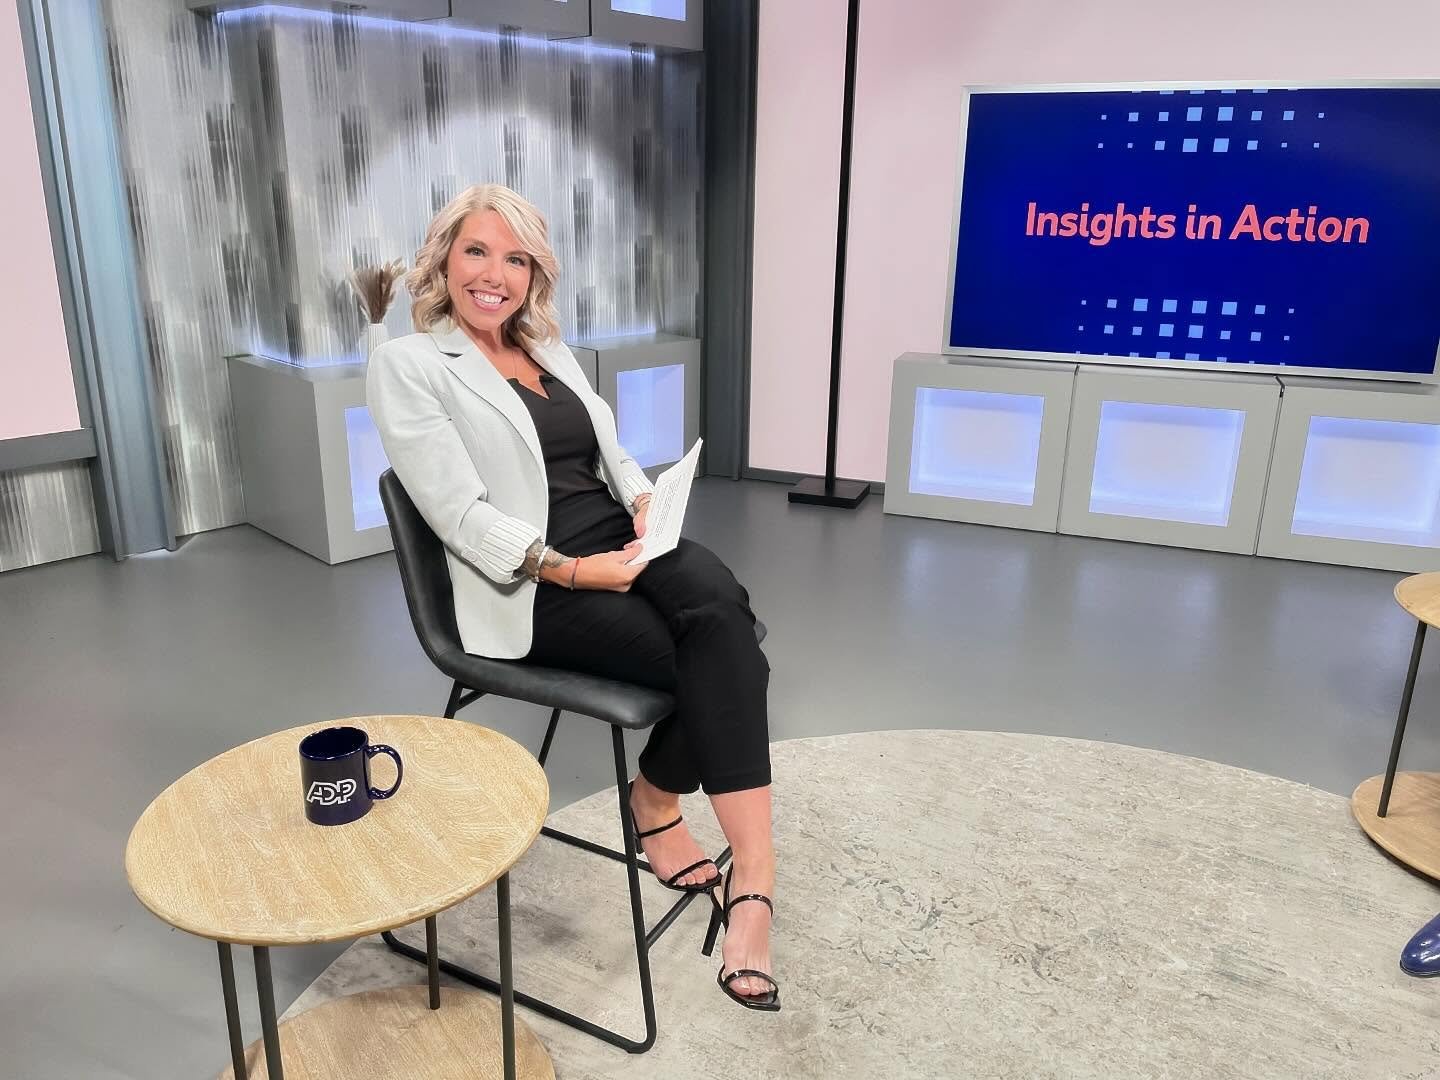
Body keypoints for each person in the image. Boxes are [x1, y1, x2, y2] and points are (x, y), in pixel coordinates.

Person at [367, 183, 779, 1010]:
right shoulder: (408, 365)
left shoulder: (548, 349)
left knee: (724, 613)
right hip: (526, 580)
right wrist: (568, 568)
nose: (496, 274)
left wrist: (640, 499)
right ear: (444, 258)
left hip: (617, 537)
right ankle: (750, 890)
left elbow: (608, 450)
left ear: (534, 274)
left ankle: (658, 802)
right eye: (477, 251)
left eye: (516, 259)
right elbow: (457, 513)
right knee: (720, 659)